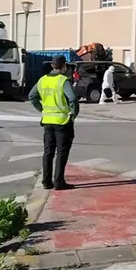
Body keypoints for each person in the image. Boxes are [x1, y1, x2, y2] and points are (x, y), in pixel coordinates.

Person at [28, 56, 79, 190]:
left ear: (52, 65)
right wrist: (73, 114)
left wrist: (42, 109)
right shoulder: (63, 81)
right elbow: (73, 98)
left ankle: (46, 181)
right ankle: (59, 182)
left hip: (47, 121)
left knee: (48, 152)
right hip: (62, 122)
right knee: (62, 152)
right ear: (64, 67)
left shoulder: (42, 80)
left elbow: (32, 96)